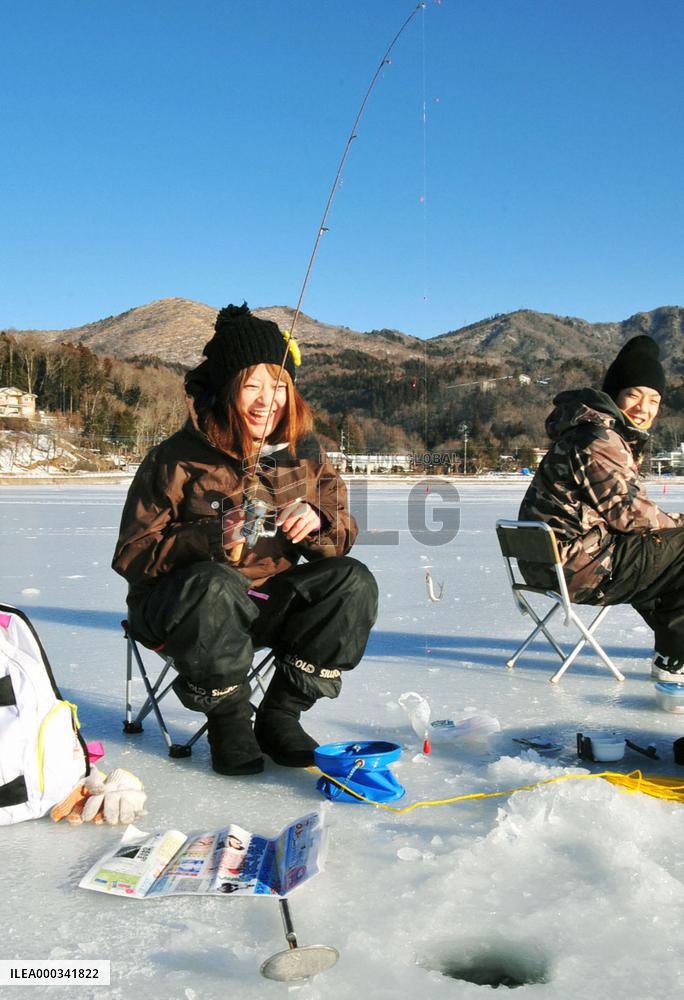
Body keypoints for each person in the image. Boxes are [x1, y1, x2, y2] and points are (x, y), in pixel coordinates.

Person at [112, 303, 378, 776]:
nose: (265, 399)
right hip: (180, 612)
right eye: (251, 385)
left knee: (351, 581)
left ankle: (281, 715)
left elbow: (341, 535)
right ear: (226, 389)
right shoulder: (174, 458)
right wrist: (210, 538)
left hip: (261, 604)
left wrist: (317, 524)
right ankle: (229, 718)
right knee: (216, 583)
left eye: (278, 385)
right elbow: (133, 555)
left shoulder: (306, 457)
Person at [518, 335, 684, 681]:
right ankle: (675, 659)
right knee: (674, 546)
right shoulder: (599, 438)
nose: (644, 407)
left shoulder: (588, 433)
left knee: (659, 552)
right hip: (580, 568)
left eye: (654, 399)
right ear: (614, 396)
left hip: (554, 563)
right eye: (634, 395)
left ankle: (676, 648)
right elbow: (631, 514)